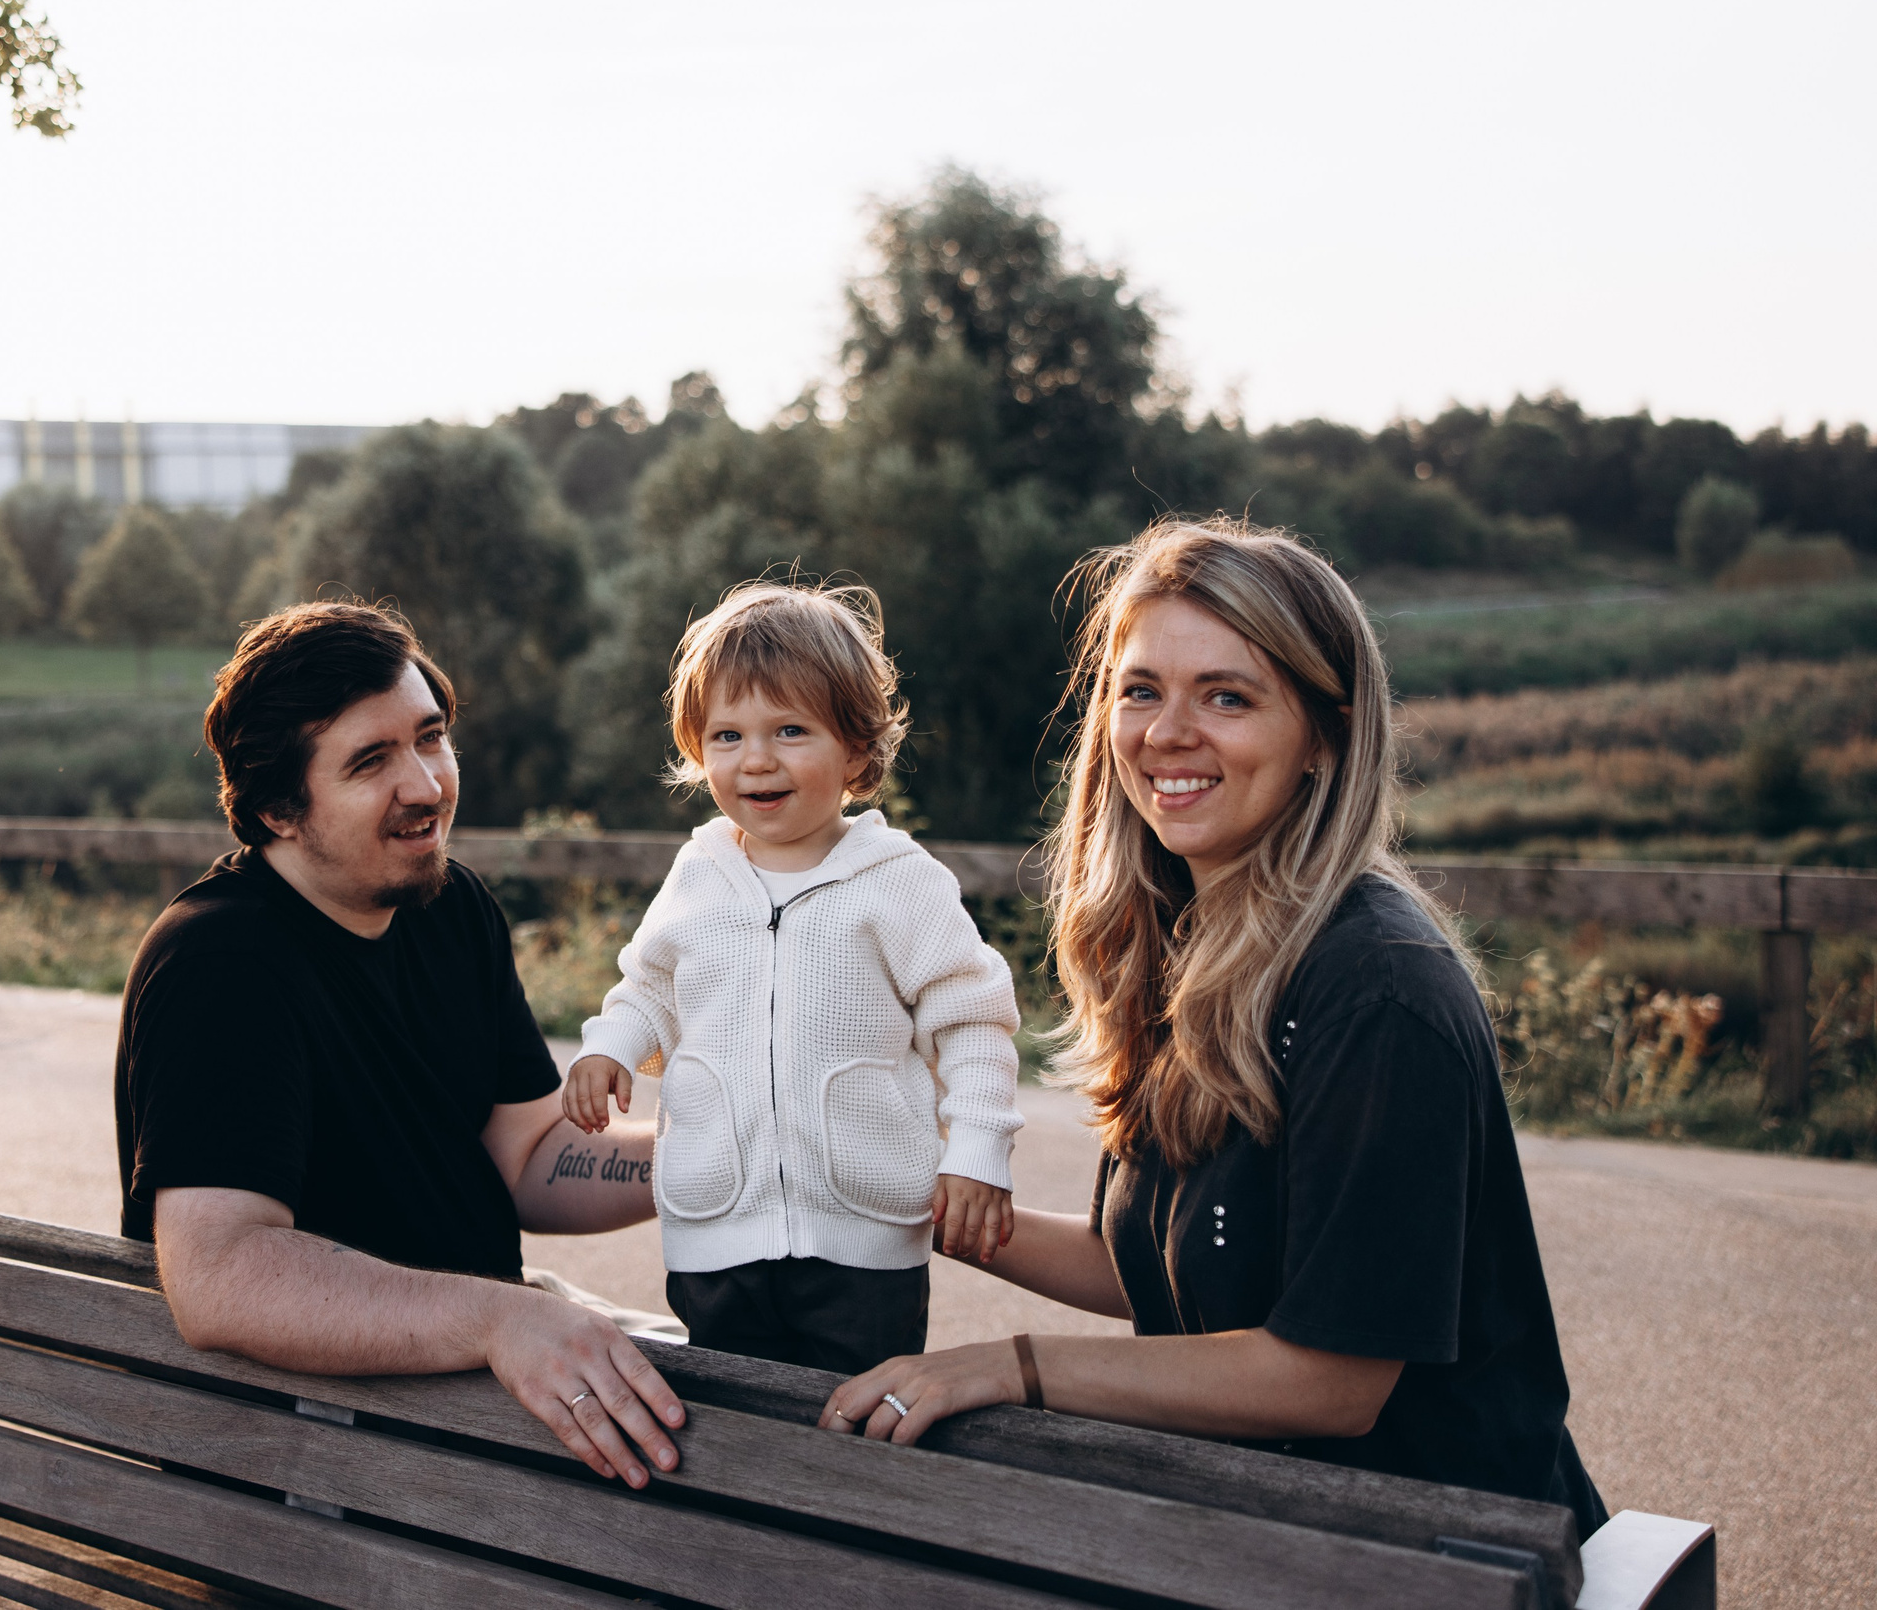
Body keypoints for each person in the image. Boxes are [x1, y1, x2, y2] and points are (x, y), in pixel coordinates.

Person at [820, 519, 1608, 1539]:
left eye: (1226, 696)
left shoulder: (1379, 991)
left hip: (1451, 1557)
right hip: (1260, 1533)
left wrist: (1007, 1366)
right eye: (1140, 689)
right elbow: (1139, 1261)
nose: (1166, 731)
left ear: (1324, 734)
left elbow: (1329, 1379)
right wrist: (907, 1186)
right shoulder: (1177, 946)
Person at [115, 600, 686, 1490]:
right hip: (304, 1459)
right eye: (371, 762)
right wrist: (499, 1319)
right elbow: (222, 1273)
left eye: (430, 737)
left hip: (458, 1408)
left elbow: (527, 1157)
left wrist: (718, 1158)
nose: (425, 786)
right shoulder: (220, 962)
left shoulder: (450, 908)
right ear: (277, 808)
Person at [563, 582, 1021, 1373]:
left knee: (851, 1435)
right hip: (715, 1235)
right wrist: (611, 1045)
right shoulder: (699, 874)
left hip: (865, 1245)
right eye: (729, 734)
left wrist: (977, 1149)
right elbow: (650, 985)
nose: (758, 759)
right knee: (738, 1438)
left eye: (790, 729)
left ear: (857, 750)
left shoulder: (898, 880)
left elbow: (973, 1022)